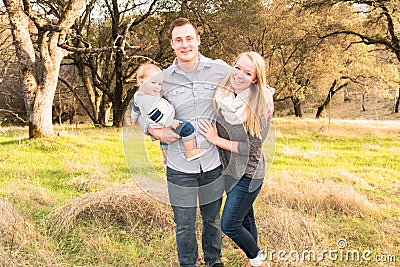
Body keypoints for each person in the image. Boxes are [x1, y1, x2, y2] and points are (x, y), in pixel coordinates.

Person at [144, 18, 229, 267]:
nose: (185, 44)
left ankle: (214, 261)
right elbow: (140, 112)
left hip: (212, 162)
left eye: (189, 38)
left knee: (213, 220)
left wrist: (265, 99)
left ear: (198, 40)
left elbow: (248, 80)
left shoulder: (218, 69)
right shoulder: (162, 79)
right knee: (184, 225)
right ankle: (188, 263)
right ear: (172, 44)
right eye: (179, 40)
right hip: (180, 166)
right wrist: (157, 134)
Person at [199, 51, 274, 267]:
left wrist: (215, 139)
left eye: (247, 72)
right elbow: (205, 60)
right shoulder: (224, 90)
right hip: (230, 171)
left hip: (249, 173)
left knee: (230, 224)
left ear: (255, 79)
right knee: (246, 218)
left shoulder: (260, 107)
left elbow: (251, 149)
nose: (239, 74)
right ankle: (254, 261)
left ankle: (259, 260)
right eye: (237, 67)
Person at [131, 63, 206, 162]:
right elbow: (155, 115)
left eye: (159, 84)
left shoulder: (139, 95)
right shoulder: (147, 100)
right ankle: (190, 151)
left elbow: (136, 108)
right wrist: (170, 122)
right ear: (141, 82)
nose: (157, 87)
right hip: (165, 121)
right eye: (153, 82)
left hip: (160, 124)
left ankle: (166, 158)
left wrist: (134, 118)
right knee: (187, 128)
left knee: (164, 141)